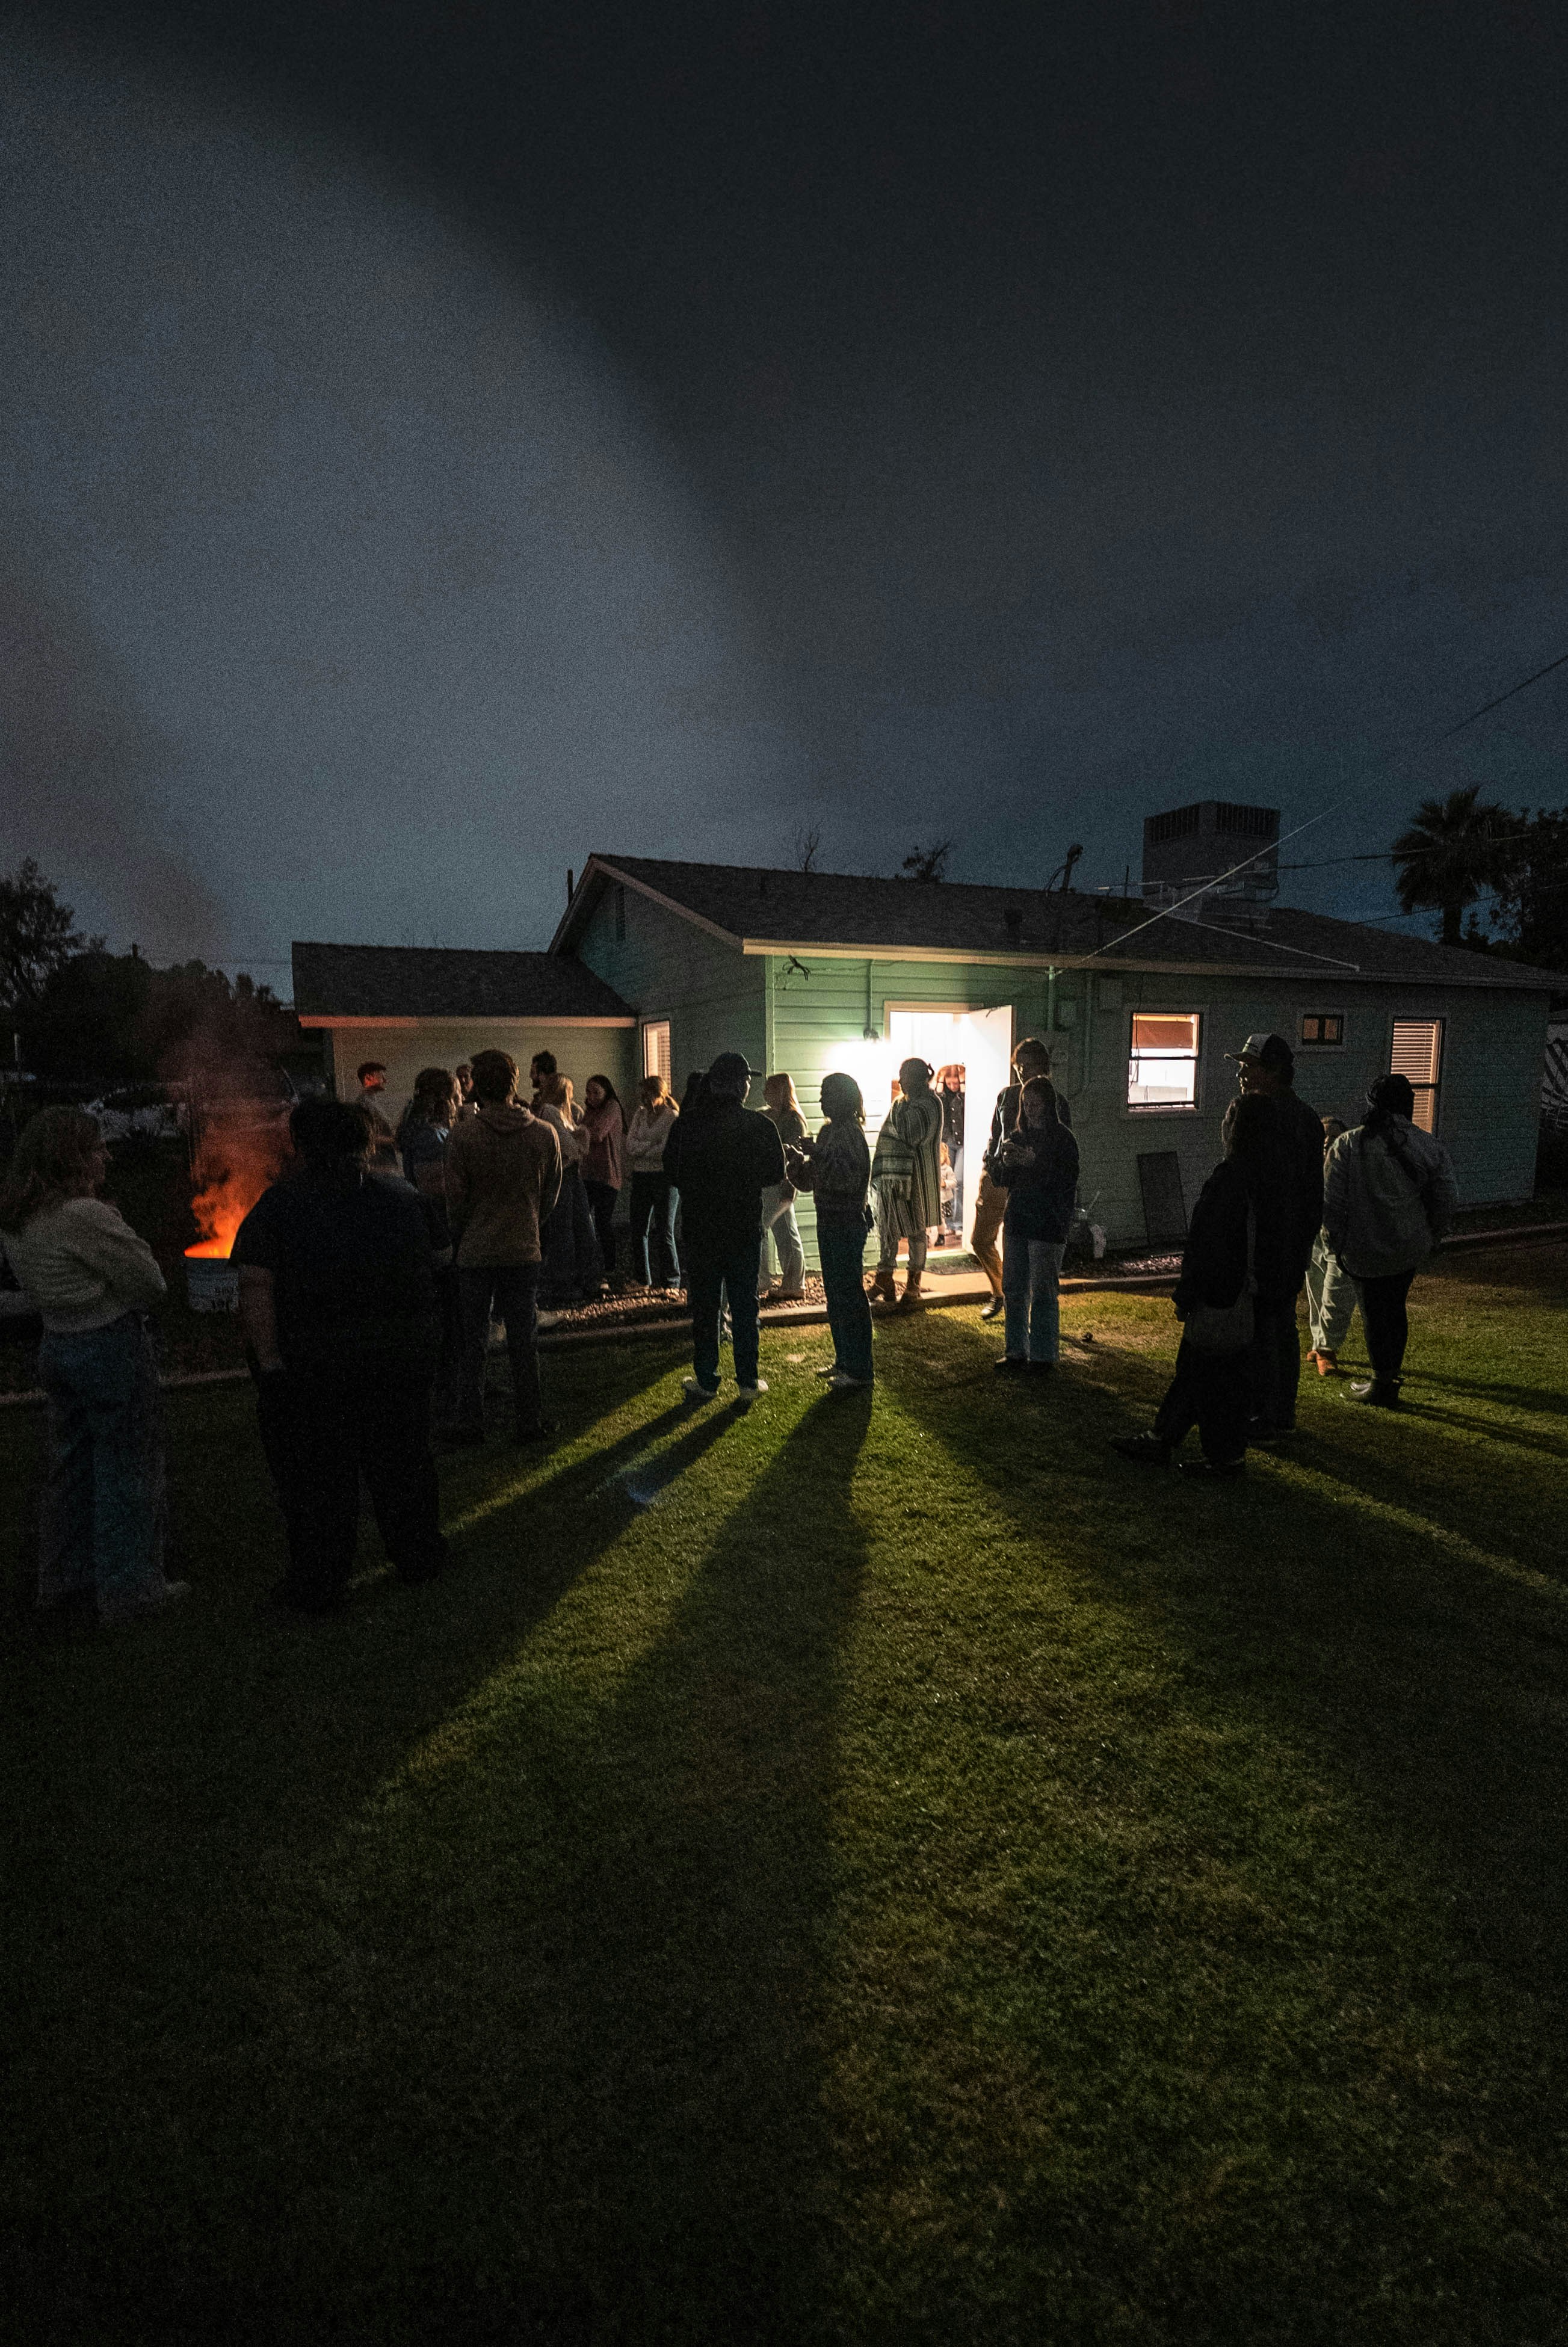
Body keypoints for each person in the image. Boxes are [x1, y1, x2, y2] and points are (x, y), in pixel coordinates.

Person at [233, 1098, 447, 1613]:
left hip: (315, 1366)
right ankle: (418, 1554)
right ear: (366, 1141)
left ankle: (321, 1579)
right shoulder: (404, 1200)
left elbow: (256, 1287)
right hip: (397, 1360)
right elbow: (442, 1263)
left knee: (318, 1478)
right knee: (404, 1463)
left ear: (300, 1145)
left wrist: (270, 1362)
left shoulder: (279, 1207)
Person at [0, 1105, 183, 1626]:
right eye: (97, 1146)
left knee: (70, 1470)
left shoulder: (19, 1214)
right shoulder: (85, 1214)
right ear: (73, 1156)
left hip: (57, 1344)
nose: (107, 1154)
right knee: (128, 1468)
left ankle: (64, 1582)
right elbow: (151, 1282)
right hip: (108, 1346)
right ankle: (131, 1590)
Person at [1112, 1093, 1291, 1478]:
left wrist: (1187, 1296)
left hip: (1220, 1296)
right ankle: (1169, 1438)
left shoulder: (1229, 1181)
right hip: (1250, 1295)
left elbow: (1206, 1246)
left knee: (1207, 1374)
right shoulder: (1274, 1180)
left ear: (1233, 1130)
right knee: (1207, 1374)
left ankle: (1216, 1454)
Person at [443, 1049, 563, 1444]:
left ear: (477, 1084)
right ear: (513, 1084)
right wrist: (528, 1224)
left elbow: (455, 1202)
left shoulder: (464, 1135)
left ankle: (468, 1423)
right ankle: (529, 1420)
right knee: (523, 1339)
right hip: (523, 1249)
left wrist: (463, 1234)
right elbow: (550, 1197)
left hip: (476, 1251)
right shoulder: (543, 1135)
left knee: (473, 1340)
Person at [1323, 1073, 1458, 1406]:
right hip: (1408, 1247)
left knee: (1374, 1313)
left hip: (1362, 1249)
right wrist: (1433, 1236)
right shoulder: (1427, 1144)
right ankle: (1387, 1377)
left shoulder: (1349, 1144)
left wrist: (1333, 1244)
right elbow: (1446, 1197)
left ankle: (1382, 1383)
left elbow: (1332, 1203)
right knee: (1395, 1309)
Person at [662, 1051, 785, 1401]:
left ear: (713, 1084)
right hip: (743, 1226)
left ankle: (706, 1378)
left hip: (701, 1225)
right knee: (745, 1304)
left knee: (705, 1304)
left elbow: (671, 1172)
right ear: (743, 1086)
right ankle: (747, 1381)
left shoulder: (686, 1125)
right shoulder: (761, 1126)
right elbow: (776, 1174)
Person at [1227, 1032, 1324, 1436]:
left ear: (1275, 1073)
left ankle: (1265, 1412)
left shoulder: (1266, 1116)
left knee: (1265, 1327)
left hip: (1267, 1238)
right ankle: (1279, 1411)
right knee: (1280, 1326)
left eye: (1251, 1067)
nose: (1243, 1074)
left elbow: (1239, 1171)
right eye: (1243, 1066)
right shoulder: (1307, 1118)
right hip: (1289, 1239)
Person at [972, 1039, 1072, 1321]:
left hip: (1030, 1183)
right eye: (1019, 1066)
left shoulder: (1057, 1102)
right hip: (999, 1176)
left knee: (1026, 1247)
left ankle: (1020, 1300)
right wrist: (990, 1161)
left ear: (1045, 1067)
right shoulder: (1006, 1095)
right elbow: (996, 1134)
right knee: (980, 1239)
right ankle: (1000, 1291)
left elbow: (1062, 1149)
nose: (1023, 1071)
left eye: (1030, 1065)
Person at [990, 1075, 1081, 1375]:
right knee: (1014, 1289)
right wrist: (1002, 1163)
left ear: (1048, 1105)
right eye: (1025, 1103)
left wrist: (1034, 1162)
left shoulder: (1063, 1139)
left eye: (1035, 1103)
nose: (1029, 1109)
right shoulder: (1017, 1136)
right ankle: (1015, 1351)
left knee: (1043, 1291)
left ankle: (1043, 1356)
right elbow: (1003, 1180)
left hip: (1048, 1224)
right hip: (1018, 1220)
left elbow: (1066, 1181)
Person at [799, 1070, 874, 1389]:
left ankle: (860, 1370)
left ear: (841, 1099)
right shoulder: (828, 1132)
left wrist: (817, 1156)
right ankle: (843, 1360)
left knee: (850, 1294)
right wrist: (799, 1165)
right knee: (835, 1293)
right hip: (827, 1217)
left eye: (825, 1094)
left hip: (846, 1221)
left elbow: (847, 1177)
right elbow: (814, 1180)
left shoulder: (851, 1134)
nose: (820, 1100)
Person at [396, 1068, 463, 1423]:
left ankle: (456, 1390)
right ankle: (446, 1402)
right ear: (443, 1098)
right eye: (456, 1094)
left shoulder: (431, 1132)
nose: (462, 1100)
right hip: (438, 1237)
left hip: (440, 1233)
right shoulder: (428, 1136)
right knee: (448, 1321)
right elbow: (435, 1187)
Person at [869, 1058, 945, 1309]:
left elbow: (912, 1134)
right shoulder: (901, 1103)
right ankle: (884, 1279)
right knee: (888, 1227)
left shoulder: (930, 1105)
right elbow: (888, 1133)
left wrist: (900, 1110)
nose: (901, 1082)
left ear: (920, 1078)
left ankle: (914, 1283)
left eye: (905, 1077)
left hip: (917, 1176)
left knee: (916, 1230)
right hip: (893, 1176)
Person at [534, 1072, 602, 1308]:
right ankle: (567, 1282)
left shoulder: (562, 1113)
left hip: (570, 1175)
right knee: (567, 1228)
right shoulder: (552, 1113)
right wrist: (581, 1137)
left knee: (580, 1225)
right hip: (563, 1175)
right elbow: (571, 1147)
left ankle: (580, 1278)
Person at [1305, 1115, 1357, 1374]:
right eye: (1324, 1135)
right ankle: (1318, 1343)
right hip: (1314, 1236)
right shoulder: (1309, 1167)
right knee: (1316, 1289)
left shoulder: (1348, 1168)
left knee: (1335, 1291)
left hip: (1340, 1238)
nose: (1328, 1140)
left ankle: (1327, 1349)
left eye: (1335, 1135)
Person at [625, 1073, 681, 1289]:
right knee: (638, 1228)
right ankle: (642, 1278)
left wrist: (643, 1147)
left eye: (650, 1094)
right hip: (641, 1177)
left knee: (664, 1229)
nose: (646, 1099)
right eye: (644, 1094)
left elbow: (665, 1150)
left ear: (661, 1094)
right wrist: (650, 1145)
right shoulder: (640, 1115)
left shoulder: (671, 1117)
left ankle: (671, 1280)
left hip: (663, 1178)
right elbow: (630, 1146)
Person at [758, 1071, 808, 1301]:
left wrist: (789, 1185)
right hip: (767, 1181)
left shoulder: (792, 1119)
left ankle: (789, 1282)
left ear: (781, 1091)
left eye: (770, 1088)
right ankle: (789, 1282)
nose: (765, 1092)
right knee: (782, 1231)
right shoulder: (768, 1115)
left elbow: (791, 1154)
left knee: (777, 1229)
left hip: (783, 1182)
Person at [580, 1075, 627, 1285]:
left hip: (608, 1174)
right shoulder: (590, 1110)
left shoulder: (613, 1107)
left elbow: (597, 1134)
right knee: (584, 1221)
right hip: (589, 1173)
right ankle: (590, 1265)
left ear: (606, 1092)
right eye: (588, 1092)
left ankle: (610, 1266)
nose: (591, 1097)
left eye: (596, 1092)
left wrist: (580, 1132)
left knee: (603, 1223)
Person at [936, 1064, 965, 1245]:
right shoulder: (944, 1096)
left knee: (959, 1181)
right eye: (950, 1081)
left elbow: (965, 1099)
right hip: (947, 1142)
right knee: (946, 1183)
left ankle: (958, 1223)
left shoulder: (962, 1095)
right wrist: (940, 1078)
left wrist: (963, 1081)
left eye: (956, 1082)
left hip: (962, 1142)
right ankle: (948, 1223)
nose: (953, 1085)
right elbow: (937, 1099)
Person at [355, 1060, 400, 1170]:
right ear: (369, 1078)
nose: (385, 1080)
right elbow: (366, 1137)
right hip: (377, 1163)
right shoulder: (363, 1103)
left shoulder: (371, 1101)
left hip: (384, 1159)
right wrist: (394, 1140)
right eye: (381, 1077)